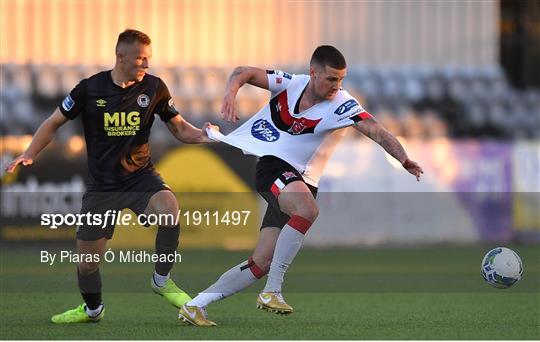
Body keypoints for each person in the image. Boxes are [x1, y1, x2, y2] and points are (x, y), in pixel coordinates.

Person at [178, 45, 423, 327]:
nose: (337, 86)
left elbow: (378, 131)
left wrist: (403, 158)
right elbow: (242, 73)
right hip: (275, 169)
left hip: (302, 183)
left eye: (341, 79)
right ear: (313, 73)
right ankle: (272, 291)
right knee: (307, 210)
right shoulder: (289, 84)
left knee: (261, 262)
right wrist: (229, 95)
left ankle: (196, 305)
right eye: (331, 78)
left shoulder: (343, 104)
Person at [5, 29, 217, 323]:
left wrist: (205, 136)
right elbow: (53, 122)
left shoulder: (154, 88)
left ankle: (161, 280)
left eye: (149, 59)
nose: (146, 65)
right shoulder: (89, 89)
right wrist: (30, 153)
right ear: (120, 57)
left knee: (170, 210)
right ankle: (93, 310)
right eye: (140, 59)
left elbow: (180, 128)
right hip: (102, 188)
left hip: (141, 178)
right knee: (87, 265)